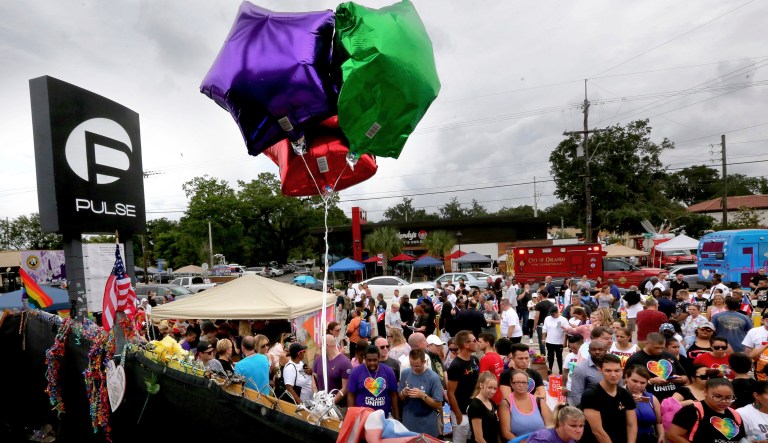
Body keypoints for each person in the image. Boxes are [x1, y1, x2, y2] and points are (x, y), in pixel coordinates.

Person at [580, 354, 637, 443]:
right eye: (608, 371)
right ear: (600, 370)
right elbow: (597, 431)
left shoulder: (625, 394)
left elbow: (632, 425)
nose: (613, 375)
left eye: (617, 370)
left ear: (622, 371)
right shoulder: (591, 395)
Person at [668, 377, 746, 443]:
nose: (723, 401)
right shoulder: (691, 410)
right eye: (718, 396)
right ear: (705, 392)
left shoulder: (735, 415)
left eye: (728, 398)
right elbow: (673, 435)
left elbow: (740, 438)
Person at [624, 332, 687, 401]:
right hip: (648, 400)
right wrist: (651, 381)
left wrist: (680, 379)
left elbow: (685, 377)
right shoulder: (636, 359)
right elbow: (626, 381)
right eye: (656, 348)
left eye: (662, 348)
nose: (659, 351)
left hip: (672, 400)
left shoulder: (669, 356)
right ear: (647, 343)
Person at [398, 349, 443, 437]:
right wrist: (403, 393)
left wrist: (423, 396)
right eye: (411, 365)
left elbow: (438, 405)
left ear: (424, 362)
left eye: (417, 366)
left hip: (427, 424)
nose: (414, 368)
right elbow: (400, 397)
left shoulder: (433, 377)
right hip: (409, 422)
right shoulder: (405, 373)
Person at [499, 369, 554, 441]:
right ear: (512, 384)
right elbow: (505, 433)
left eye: (524, 382)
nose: (521, 385)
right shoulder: (506, 404)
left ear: (528, 384)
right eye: (517, 382)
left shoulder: (539, 401)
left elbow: (550, 427)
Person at [347, 345, 399, 419]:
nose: (372, 363)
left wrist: (396, 417)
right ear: (365, 359)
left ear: (379, 359)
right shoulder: (356, 372)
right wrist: (351, 417)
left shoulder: (388, 371)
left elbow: (393, 395)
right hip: (363, 418)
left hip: (383, 417)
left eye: (375, 360)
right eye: (369, 360)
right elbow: (351, 395)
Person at [447, 330, 480, 443]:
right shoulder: (455, 366)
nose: (477, 342)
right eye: (474, 341)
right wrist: (458, 414)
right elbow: (450, 392)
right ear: (466, 344)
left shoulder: (474, 360)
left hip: (474, 409)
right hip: (461, 412)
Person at [624, 364, 665, 443]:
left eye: (643, 383)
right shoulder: (618, 395)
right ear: (626, 378)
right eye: (634, 381)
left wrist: (661, 435)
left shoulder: (651, 398)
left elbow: (659, 422)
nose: (638, 385)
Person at [312, 334, 353, 405]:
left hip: (338, 406)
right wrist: (316, 396)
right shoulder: (318, 360)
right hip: (320, 405)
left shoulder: (344, 362)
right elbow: (314, 380)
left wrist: (331, 402)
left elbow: (345, 388)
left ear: (327, 346)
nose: (319, 346)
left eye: (321, 345)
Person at [567, 339, 608, 407]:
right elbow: (576, 394)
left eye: (600, 349)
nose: (597, 352)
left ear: (606, 351)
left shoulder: (612, 366)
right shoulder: (580, 369)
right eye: (593, 350)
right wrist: (585, 410)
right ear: (589, 351)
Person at [466, 371, 500, 443]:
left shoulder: (492, 403)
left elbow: (496, 430)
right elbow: (479, 438)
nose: (493, 391)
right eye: (490, 388)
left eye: (495, 388)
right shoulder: (475, 406)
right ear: (481, 385)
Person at [477, 333, 504, 405]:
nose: (478, 344)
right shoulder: (498, 356)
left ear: (487, 343)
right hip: (498, 393)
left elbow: (482, 380)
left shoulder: (485, 359)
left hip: (490, 396)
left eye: (480, 342)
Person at [542, 305, 569, 374]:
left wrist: (565, 341)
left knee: (559, 356)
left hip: (559, 342)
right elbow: (544, 329)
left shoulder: (563, 319)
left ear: (557, 312)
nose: (552, 315)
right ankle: (550, 369)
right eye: (551, 314)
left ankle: (560, 370)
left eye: (553, 314)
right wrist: (543, 339)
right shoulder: (547, 318)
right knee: (550, 356)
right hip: (549, 341)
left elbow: (566, 331)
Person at [533, 290, 556, 357]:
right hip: (550, 325)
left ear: (541, 295)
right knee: (550, 340)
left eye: (539, 295)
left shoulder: (539, 305)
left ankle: (543, 355)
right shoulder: (551, 304)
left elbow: (537, 316)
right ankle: (550, 354)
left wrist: (534, 326)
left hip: (541, 325)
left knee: (541, 341)